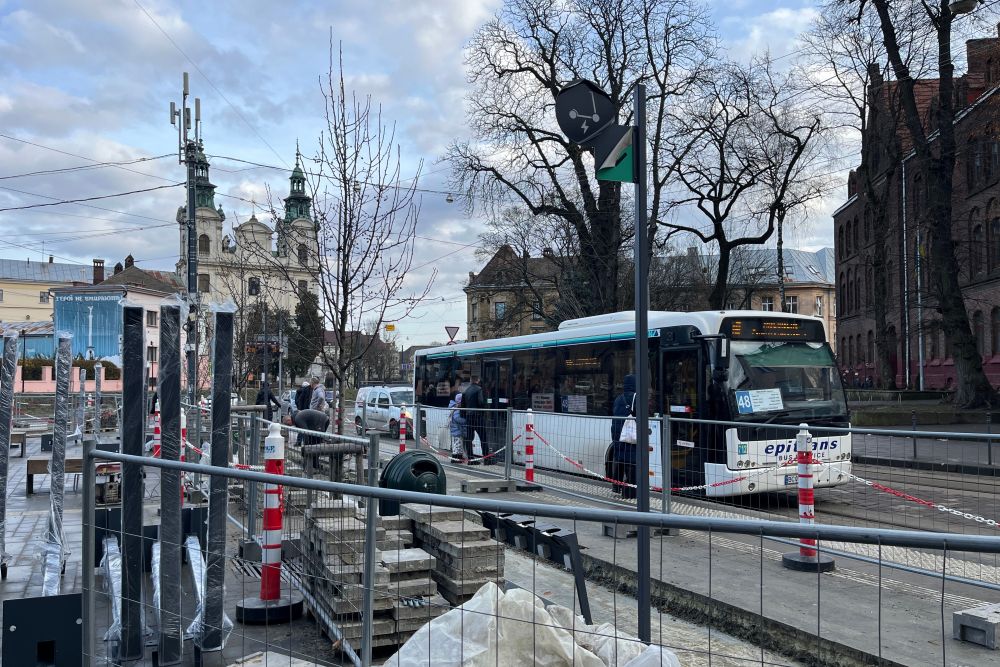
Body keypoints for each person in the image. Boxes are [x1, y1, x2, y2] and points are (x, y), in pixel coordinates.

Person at [610, 374, 637, 500]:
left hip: (617, 435)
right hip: (629, 435)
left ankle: (616, 487)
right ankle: (630, 492)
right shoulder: (636, 398)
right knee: (631, 463)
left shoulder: (618, 398)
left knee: (619, 459)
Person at [461, 375, 487, 464]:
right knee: (483, 438)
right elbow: (481, 402)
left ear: (470, 381)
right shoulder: (479, 389)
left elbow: (462, 406)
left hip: (469, 417)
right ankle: (486, 458)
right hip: (478, 417)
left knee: (469, 439)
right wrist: (483, 412)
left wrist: (465, 416)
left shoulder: (465, 391)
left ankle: (471, 459)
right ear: (478, 380)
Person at [448, 393, 467, 464]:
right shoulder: (457, 409)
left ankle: (458, 457)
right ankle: (455, 458)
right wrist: (465, 420)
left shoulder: (455, 408)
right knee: (457, 445)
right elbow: (458, 419)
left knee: (458, 445)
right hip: (457, 430)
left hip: (456, 430)